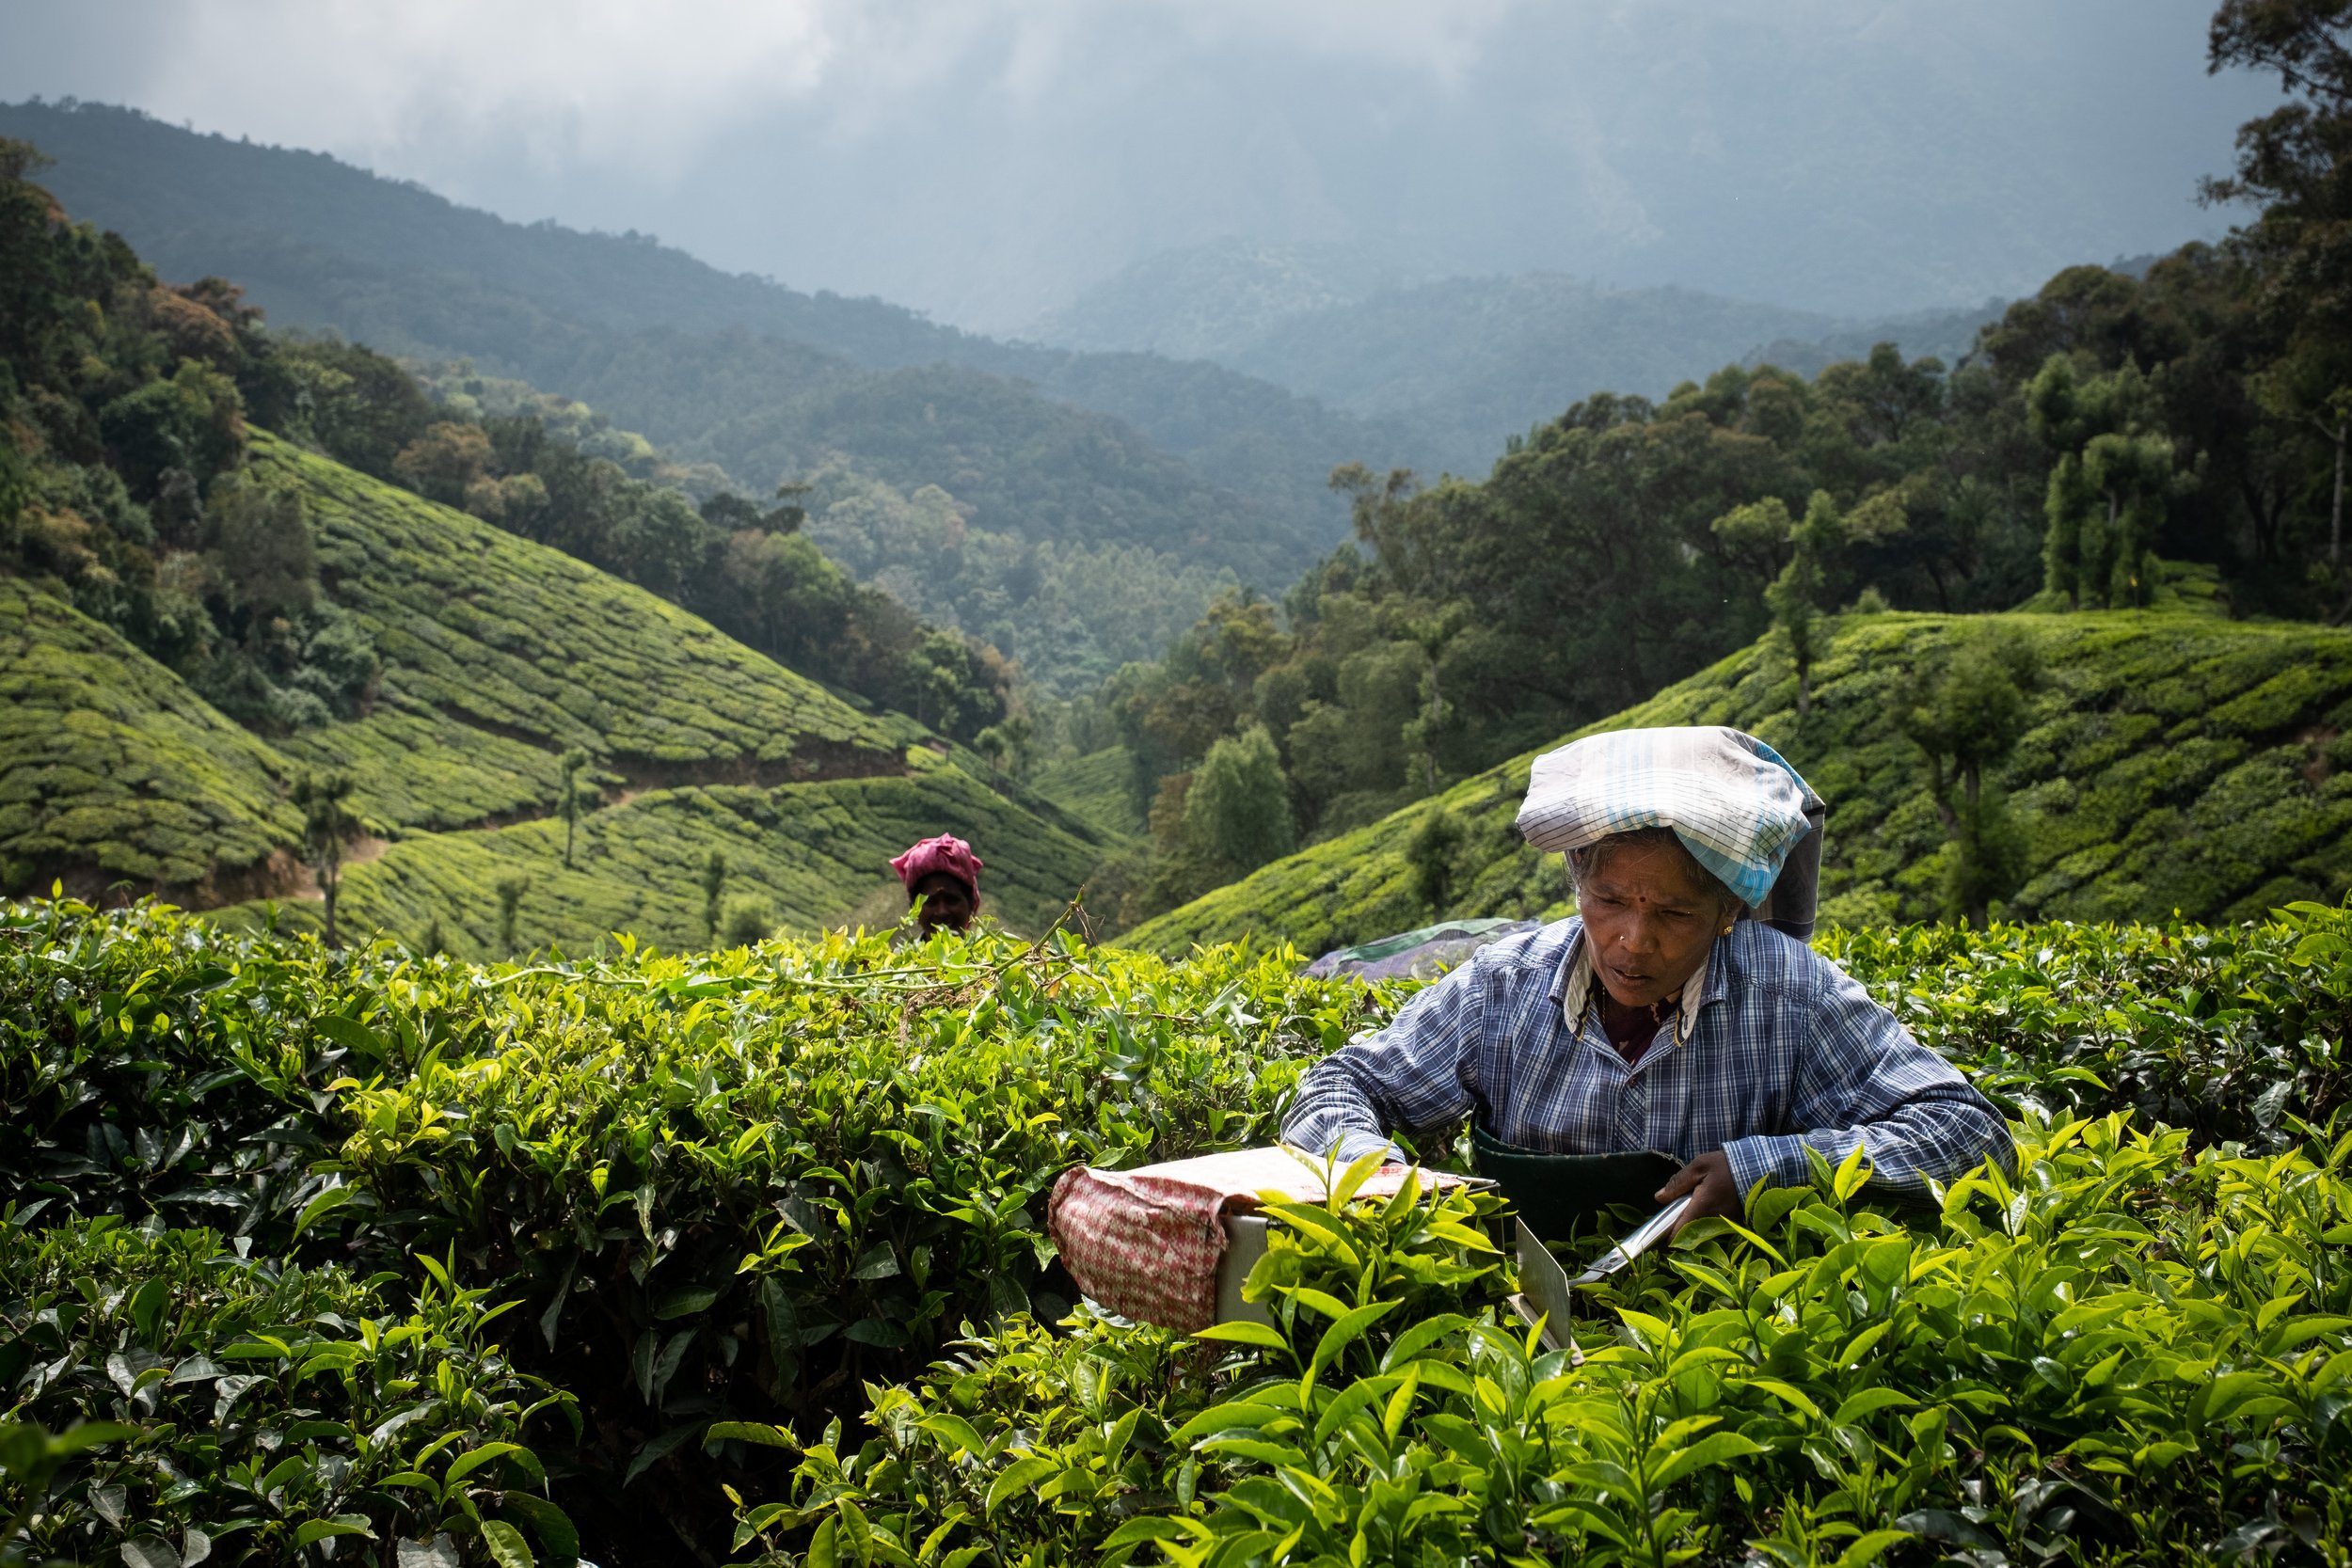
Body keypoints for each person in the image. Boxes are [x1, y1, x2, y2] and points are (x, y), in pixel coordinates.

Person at [1281, 726, 2014, 1230]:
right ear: (1578, 886)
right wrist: (1377, 1174)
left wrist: (1779, 1167)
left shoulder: (1792, 997)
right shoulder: (1503, 988)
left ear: (1729, 912)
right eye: (1608, 903)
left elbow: (1970, 1130)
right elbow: (1338, 1085)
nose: (1633, 942)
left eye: (1673, 912)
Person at [890, 833, 982, 934]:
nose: (942, 912)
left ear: (971, 903)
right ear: (914, 909)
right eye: (931, 902)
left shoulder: (992, 950)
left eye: (952, 900)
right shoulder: (899, 950)